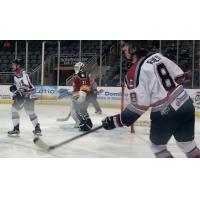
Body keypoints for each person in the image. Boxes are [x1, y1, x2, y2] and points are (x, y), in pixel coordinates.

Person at [102, 41, 200, 158]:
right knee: (188, 145)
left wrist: (115, 121)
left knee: (157, 147)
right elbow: (180, 76)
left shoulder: (133, 73)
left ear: (134, 48)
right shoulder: (157, 56)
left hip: (165, 112)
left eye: (124, 45)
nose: (123, 49)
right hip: (185, 103)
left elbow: (138, 107)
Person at [8, 59, 42, 136]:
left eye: (14, 64)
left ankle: (16, 129)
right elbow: (21, 85)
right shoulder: (18, 73)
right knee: (30, 112)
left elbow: (25, 86)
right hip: (28, 94)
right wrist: (16, 89)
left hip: (26, 95)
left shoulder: (21, 73)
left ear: (18, 65)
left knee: (14, 109)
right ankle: (37, 128)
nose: (12, 66)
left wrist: (17, 92)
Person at [71, 62, 93, 131]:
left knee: (76, 110)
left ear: (81, 68)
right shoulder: (82, 74)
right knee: (83, 110)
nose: (76, 69)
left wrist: (79, 95)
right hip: (85, 94)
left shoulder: (81, 74)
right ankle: (88, 123)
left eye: (77, 67)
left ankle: (82, 123)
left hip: (82, 94)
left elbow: (84, 86)